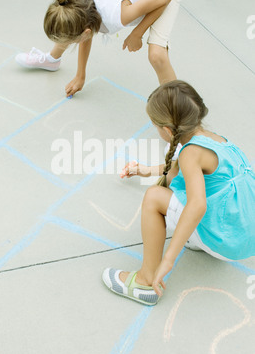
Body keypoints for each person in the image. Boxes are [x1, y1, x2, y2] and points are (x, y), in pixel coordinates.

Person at [102, 80, 255, 306]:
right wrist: (146, 170)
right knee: (174, 174)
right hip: (244, 237)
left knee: (154, 197)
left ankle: (145, 282)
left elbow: (198, 205)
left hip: (225, 243)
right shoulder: (213, 139)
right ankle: (196, 238)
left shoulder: (189, 153)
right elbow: (178, 170)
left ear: (167, 130)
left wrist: (168, 259)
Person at [15, 0, 190, 97]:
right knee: (68, 27)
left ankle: (180, 116)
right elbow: (83, 33)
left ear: (86, 32)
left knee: (156, 55)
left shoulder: (120, 14)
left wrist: (137, 33)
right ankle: (52, 60)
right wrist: (80, 75)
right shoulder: (78, 5)